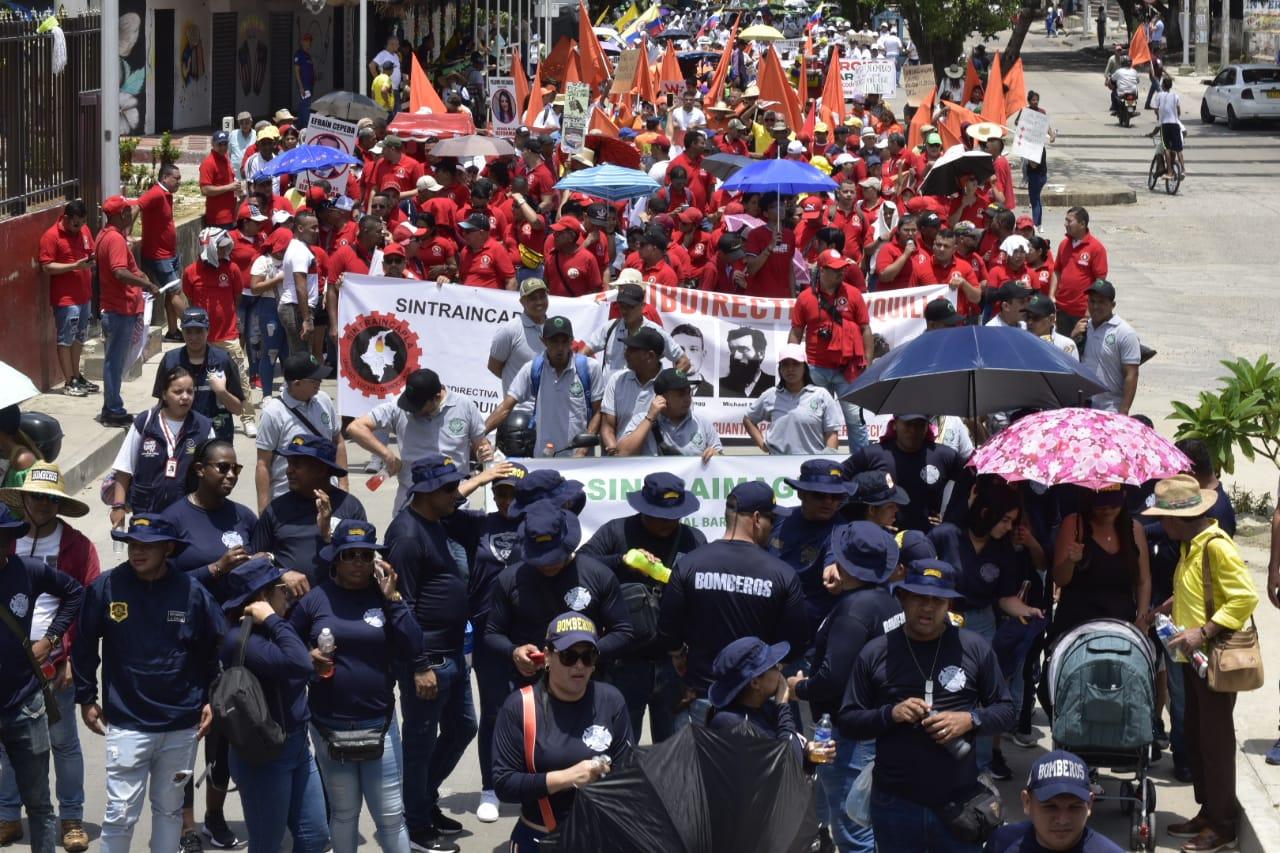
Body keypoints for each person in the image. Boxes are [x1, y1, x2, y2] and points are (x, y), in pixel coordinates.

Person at [839, 559, 1015, 852]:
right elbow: (847, 720)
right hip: (895, 802)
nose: (928, 607)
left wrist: (969, 720)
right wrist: (890, 714)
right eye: (920, 597)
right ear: (903, 598)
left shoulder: (973, 648)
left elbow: (1007, 711)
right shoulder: (876, 652)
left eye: (938, 600)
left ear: (949, 605)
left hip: (960, 802)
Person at [384, 456, 514, 852]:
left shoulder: (436, 522)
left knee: (463, 728)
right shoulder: (407, 535)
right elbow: (399, 605)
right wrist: (419, 664)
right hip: (429, 658)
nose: (454, 493)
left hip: (454, 650)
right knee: (421, 739)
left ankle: (424, 799)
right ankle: (415, 825)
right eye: (447, 488)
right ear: (426, 493)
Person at [73, 514, 225, 853]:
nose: (137, 552)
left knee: (169, 812)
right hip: (128, 724)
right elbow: (83, 644)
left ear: (168, 548)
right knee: (120, 815)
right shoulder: (106, 587)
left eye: (147, 546)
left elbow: (213, 650)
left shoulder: (192, 592)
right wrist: (86, 697)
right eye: (132, 544)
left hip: (181, 727)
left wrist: (211, 699)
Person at [289, 520, 425, 853]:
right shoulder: (316, 600)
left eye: (366, 556)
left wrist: (393, 598)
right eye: (350, 556)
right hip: (328, 725)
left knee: (391, 816)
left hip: (378, 723)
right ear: (335, 558)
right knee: (345, 813)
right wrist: (308, 655)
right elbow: (286, 644)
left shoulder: (384, 598)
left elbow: (413, 643)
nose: (359, 563)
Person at [1142, 475, 1258, 853]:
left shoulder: (1214, 546)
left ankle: (1222, 826)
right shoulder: (1191, 546)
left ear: (1181, 519)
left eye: (1164, 519)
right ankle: (1208, 812)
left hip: (1213, 658)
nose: (1161, 526)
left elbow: (1244, 598)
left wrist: (1202, 631)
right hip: (1192, 659)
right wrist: (1170, 606)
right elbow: (1200, 589)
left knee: (1216, 742)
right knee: (1196, 737)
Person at [788, 522, 904, 853]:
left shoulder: (855, 610)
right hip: (872, 723)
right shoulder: (886, 601)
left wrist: (799, 687)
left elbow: (832, 678)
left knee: (854, 833)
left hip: (850, 736)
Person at [0, 465, 97, 852]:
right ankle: (8, 815)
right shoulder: (10, 539)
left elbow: (84, 601)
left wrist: (68, 651)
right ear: (23, 498)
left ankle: (71, 816)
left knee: (63, 742)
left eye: (51, 498)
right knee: (9, 743)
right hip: (11, 668)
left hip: (56, 663)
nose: (43, 504)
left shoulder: (77, 545)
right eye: (37, 496)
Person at [659, 481, 811, 726]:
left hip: (700, 695)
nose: (773, 527)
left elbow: (668, 626)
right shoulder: (782, 574)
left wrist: (678, 655)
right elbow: (797, 639)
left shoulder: (689, 564)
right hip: (756, 705)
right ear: (756, 518)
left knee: (691, 765)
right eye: (771, 519)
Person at [577, 473, 706, 742]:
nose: (666, 523)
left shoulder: (693, 539)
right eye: (658, 515)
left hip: (674, 664)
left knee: (675, 751)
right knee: (619, 748)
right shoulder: (617, 531)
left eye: (673, 516)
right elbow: (581, 564)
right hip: (625, 662)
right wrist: (621, 561)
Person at [491, 613, 632, 851]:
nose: (579, 665)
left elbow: (629, 773)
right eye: (569, 656)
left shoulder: (611, 700)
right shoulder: (520, 707)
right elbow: (504, 783)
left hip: (599, 839)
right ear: (547, 657)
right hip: (541, 840)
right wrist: (567, 778)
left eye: (587, 657)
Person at [216, 558, 328, 852]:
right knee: (267, 844)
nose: (287, 594)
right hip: (265, 755)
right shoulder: (243, 639)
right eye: (282, 589)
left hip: (297, 745)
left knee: (315, 836)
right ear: (264, 597)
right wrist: (274, 619)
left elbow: (294, 661)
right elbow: (297, 663)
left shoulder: (270, 632)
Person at [484, 501, 634, 696]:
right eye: (540, 558)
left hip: (587, 689)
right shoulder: (509, 579)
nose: (547, 565)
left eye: (554, 557)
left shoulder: (599, 575)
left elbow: (623, 631)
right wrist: (513, 651)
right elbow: (492, 633)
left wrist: (585, 655)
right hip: (529, 690)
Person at [347, 368, 492, 511]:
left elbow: (481, 444)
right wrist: (387, 454)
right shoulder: (399, 407)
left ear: (436, 397)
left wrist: (483, 452)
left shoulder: (464, 406)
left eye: (419, 407)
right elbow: (355, 427)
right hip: (412, 502)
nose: (412, 410)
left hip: (453, 500)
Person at [252, 434, 366, 594]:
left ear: (321, 469)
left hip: (339, 606)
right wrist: (280, 574)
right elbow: (253, 563)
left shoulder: (350, 507)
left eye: (296, 465)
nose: (288, 471)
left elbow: (363, 561)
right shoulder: (275, 510)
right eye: (289, 463)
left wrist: (328, 532)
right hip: (289, 609)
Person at [483, 317, 604, 459]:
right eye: (554, 341)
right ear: (544, 341)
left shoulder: (589, 369)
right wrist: (479, 434)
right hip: (543, 458)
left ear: (572, 340)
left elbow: (598, 412)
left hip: (579, 460)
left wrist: (582, 450)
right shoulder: (532, 369)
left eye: (564, 341)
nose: (560, 348)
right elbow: (506, 407)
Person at [108, 366, 215, 524]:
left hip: (187, 517)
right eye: (178, 392)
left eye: (190, 392)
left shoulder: (204, 428)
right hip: (146, 515)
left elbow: (213, 475)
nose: (185, 397)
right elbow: (124, 469)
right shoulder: (144, 423)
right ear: (164, 394)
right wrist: (118, 506)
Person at [790, 250, 875, 446]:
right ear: (822, 270)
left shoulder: (853, 294)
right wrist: (791, 361)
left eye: (842, 269)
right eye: (835, 270)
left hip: (849, 370)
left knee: (856, 421)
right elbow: (795, 332)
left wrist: (868, 364)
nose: (840, 273)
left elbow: (865, 329)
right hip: (816, 368)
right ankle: (819, 466)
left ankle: (861, 466)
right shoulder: (805, 298)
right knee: (817, 420)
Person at [1051, 484, 1152, 641]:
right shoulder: (1074, 524)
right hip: (1077, 627)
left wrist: (1142, 617)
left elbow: (1143, 580)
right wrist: (1071, 561)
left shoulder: (1135, 529)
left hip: (1122, 626)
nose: (1107, 511)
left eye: (1113, 505)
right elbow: (1060, 579)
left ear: (1123, 497)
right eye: (1100, 505)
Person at [843, 414, 969, 532]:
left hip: (928, 542)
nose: (913, 430)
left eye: (919, 424)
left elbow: (970, 485)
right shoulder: (872, 455)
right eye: (908, 424)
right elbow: (838, 482)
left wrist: (950, 519)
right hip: (884, 541)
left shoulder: (944, 456)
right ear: (894, 424)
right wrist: (866, 521)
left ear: (927, 426)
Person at [96, 195, 158, 427]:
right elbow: (119, 272)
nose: (130, 215)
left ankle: (111, 406)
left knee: (114, 361)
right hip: (119, 309)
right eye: (127, 211)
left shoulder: (105, 236)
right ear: (119, 214)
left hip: (118, 308)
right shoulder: (114, 239)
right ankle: (112, 409)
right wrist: (146, 285)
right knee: (114, 362)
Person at [985, 750, 1125, 852]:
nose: (1062, 820)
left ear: (1089, 804)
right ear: (1027, 802)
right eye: (1050, 806)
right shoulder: (1001, 844)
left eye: (1074, 807)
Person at [255, 352, 345, 510]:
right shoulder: (273, 413)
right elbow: (263, 464)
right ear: (297, 384)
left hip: (327, 496)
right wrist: (264, 511)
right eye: (314, 380)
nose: (320, 382)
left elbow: (338, 441)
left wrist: (343, 486)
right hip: (288, 501)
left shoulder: (323, 400)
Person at [158, 308, 245, 446]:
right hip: (181, 438)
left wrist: (222, 392)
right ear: (182, 331)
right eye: (188, 331)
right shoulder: (170, 361)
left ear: (208, 330)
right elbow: (162, 406)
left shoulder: (223, 360)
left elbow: (238, 409)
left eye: (199, 331)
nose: (194, 337)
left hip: (218, 438)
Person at [39, 200, 98, 397]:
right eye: (75, 224)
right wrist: (74, 266)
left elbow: (91, 253)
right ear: (65, 218)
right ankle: (68, 380)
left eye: (82, 223)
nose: (79, 228)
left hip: (84, 295)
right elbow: (47, 266)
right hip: (66, 299)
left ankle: (76, 374)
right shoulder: (51, 236)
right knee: (66, 339)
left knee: (80, 337)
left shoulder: (84, 231)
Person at [743, 343, 843, 454]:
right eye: (785, 365)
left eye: (795, 364)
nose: (790, 369)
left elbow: (831, 433)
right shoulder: (771, 395)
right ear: (780, 369)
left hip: (811, 465)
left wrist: (826, 463)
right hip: (777, 465)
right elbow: (749, 420)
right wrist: (763, 445)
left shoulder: (821, 395)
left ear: (804, 367)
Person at [618, 368, 723, 459]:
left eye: (688, 392)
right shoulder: (641, 420)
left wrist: (715, 455)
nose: (687, 399)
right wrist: (650, 418)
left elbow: (722, 461)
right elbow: (622, 454)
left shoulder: (702, 423)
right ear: (662, 397)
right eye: (680, 394)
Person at [1074, 279, 1140, 414]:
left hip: (1111, 407)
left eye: (1101, 302)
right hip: (1084, 404)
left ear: (1113, 305)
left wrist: (1124, 411)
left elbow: (1131, 374)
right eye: (1092, 301)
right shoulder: (1084, 327)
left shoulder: (1125, 332)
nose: (1096, 306)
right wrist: (1073, 338)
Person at [139, 163, 189, 340]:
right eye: (176, 179)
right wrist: (127, 232)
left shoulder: (166, 195)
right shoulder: (155, 193)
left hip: (170, 253)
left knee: (171, 293)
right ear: (165, 178)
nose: (179, 182)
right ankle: (194, 329)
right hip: (159, 256)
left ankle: (173, 332)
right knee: (175, 292)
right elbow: (137, 205)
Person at [487, 278, 549, 405]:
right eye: (532, 298)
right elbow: (494, 366)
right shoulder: (509, 330)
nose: (539, 302)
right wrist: (519, 386)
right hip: (517, 412)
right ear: (522, 302)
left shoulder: (554, 329)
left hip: (549, 412)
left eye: (542, 297)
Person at [1053, 208, 1107, 336]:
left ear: (1082, 224)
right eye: (1065, 220)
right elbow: (1057, 271)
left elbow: (1100, 281)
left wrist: (1090, 309)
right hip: (1062, 309)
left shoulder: (1096, 248)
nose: (1065, 224)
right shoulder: (1063, 245)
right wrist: (1051, 296)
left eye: (1069, 221)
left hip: (1082, 312)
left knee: (1080, 350)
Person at [279, 209, 322, 356]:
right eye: (313, 228)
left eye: (317, 227)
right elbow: (300, 287)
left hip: (296, 308)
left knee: (300, 356)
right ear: (300, 228)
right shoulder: (300, 252)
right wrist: (306, 319)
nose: (317, 231)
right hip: (295, 308)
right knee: (302, 358)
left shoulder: (300, 248)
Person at [721, 326, 776, 398]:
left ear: (761, 354)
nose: (736, 356)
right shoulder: (721, 385)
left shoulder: (775, 385)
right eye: (732, 350)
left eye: (743, 349)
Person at [200, 132, 239, 228]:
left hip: (231, 215)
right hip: (219, 218)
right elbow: (205, 190)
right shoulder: (209, 163)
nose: (223, 147)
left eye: (225, 144)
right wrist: (229, 187)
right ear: (213, 144)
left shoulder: (225, 158)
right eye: (219, 144)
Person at [1025, 293, 1078, 359]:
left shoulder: (1066, 345)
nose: (1029, 322)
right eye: (1027, 317)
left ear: (1051, 319)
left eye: (1036, 317)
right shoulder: (1021, 341)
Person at [1153, 76, 1184, 177]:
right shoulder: (1175, 96)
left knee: (1166, 149)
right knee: (1178, 149)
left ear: (1162, 85)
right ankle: (1183, 170)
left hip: (1165, 125)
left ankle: (1170, 172)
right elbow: (1179, 111)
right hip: (1175, 124)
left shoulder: (1159, 95)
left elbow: (1156, 109)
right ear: (1171, 86)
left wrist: (1159, 115)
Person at [294, 33, 315, 127]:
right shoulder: (299, 54)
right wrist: (301, 87)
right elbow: (297, 71)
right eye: (306, 41)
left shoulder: (308, 55)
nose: (308, 43)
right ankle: (304, 126)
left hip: (309, 85)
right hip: (304, 86)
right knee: (305, 106)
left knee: (306, 105)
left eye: (309, 41)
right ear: (301, 42)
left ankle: (302, 125)